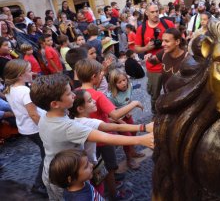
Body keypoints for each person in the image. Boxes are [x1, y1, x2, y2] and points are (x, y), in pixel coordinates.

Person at [30, 73, 154, 200]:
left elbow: (107, 126)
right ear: (55, 104)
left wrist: (142, 128)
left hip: (53, 171)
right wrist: (141, 139)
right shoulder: (67, 127)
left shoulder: (48, 116)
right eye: (68, 94)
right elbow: (106, 137)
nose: (73, 94)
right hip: (66, 178)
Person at [76, 59, 145, 198]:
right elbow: (115, 113)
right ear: (93, 77)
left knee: (96, 166)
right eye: (100, 73)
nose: (103, 76)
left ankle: (105, 186)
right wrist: (135, 103)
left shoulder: (76, 91)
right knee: (110, 167)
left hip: (88, 139)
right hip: (103, 139)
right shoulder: (98, 95)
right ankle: (114, 194)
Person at [3, 60, 47, 197]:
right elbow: (33, 113)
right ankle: (39, 184)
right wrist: (46, 128)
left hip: (26, 127)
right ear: (20, 75)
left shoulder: (11, 88)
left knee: (46, 153)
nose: (32, 72)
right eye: (29, 71)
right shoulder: (24, 91)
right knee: (47, 154)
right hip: (35, 128)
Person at [134, 4, 174, 114]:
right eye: (152, 12)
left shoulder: (167, 24)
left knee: (172, 92)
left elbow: (177, 38)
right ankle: (156, 115)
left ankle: (171, 113)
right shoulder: (142, 29)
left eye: (157, 11)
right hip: (153, 68)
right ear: (146, 13)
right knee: (155, 95)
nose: (156, 14)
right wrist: (146, 48)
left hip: (170, 65)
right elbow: (136, 48)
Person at [108, 68, 146, 162]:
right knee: (127, 139)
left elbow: (128, 100)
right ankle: (129, 159)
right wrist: (121, 121)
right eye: (119, 82)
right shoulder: (112, 97)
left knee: (133, 132)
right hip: (118, 120)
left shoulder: (129, 86)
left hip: (127, 117)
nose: (123, 83)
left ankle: (132, 151)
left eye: (124, 80)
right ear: (114, 84)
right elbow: (111, 115)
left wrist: (128, 109)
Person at [145, 28, 187, 92]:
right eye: (163, 41)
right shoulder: (164, 52)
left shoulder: (187, 57)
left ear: (177, 42)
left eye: (166, 41)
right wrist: (149, 58)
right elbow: (155, 61)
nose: (162, 44)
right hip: (167, 95)